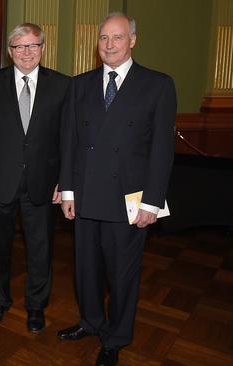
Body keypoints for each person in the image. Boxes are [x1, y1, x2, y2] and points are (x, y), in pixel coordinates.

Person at [58, 12, 176, 366]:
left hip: (129, 200)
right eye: (104, 38)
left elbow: (161, 150)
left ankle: (116, 335)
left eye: (117, 37)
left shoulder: (157, 84)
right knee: (86, 269)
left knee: (122, 273)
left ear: (133, 40)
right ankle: (91, 321)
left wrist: (152, 203)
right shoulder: (79, 84)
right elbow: (70, 143)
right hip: (86, 195)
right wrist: (68, 192)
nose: (109, 45)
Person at [0, 23, 70, 332]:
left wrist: (64, 181)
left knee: (40, 249)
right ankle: (0, 300)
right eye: (19, 47)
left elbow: (67, 139)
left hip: (43, 184)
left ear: (43, 48)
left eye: (32, 46)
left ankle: (36, 306)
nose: (26, 52)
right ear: (10, 52)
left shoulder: (62, 85)